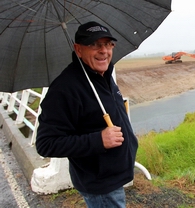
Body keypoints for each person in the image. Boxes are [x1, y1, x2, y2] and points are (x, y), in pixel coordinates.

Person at [36, 21, 138, 208]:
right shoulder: (65, 89)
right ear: (78, 49)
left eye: (108, 44)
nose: (104, 51)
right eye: (94, 45)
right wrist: (98, 140)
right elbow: (46, 144)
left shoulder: (103, 75)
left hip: (113, 176)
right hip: (100, 184)